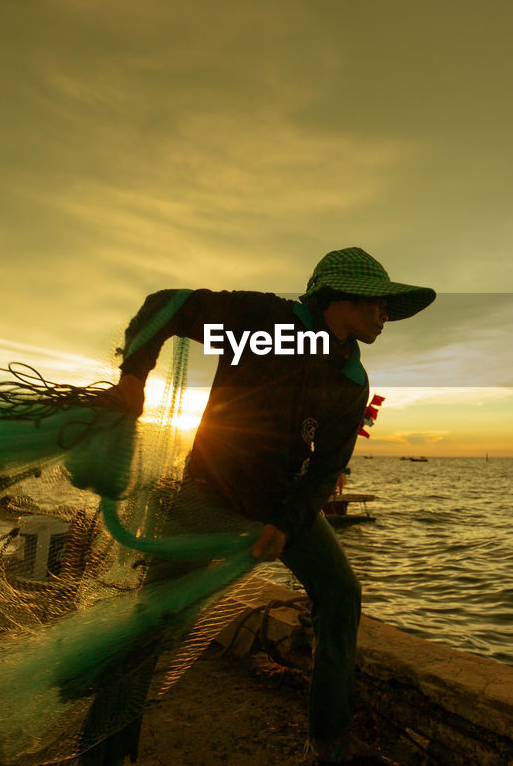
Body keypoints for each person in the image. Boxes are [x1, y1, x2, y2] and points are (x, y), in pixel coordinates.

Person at [105, 247, 435, 764]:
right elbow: (166, 306)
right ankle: (107, 753)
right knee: (153, 620)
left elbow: (326, 470)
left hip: (281, 502)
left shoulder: (350, 380)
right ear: (343, 299)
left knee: (341, 592)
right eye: (379, 305)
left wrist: (286, 521)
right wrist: (132, 375)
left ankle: (327, 743)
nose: (385, 317)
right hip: (205, 490)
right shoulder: (264, 324)